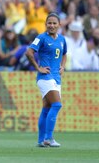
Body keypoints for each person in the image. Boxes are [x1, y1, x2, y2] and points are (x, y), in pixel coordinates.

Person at [26, 13, 67, 147]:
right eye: (49, 23)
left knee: (46, 108)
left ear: (59, 25)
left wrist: (63, 66)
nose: (52, 25)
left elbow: (64, 54)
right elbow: (29, 52)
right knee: (57, 105)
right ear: (45, 24)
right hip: (45, 77)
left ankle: (40, 141)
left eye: (54, 23)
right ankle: (49, 138)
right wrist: (38, 67)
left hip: (56, 77)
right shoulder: (41, 38)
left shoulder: (62, 39)